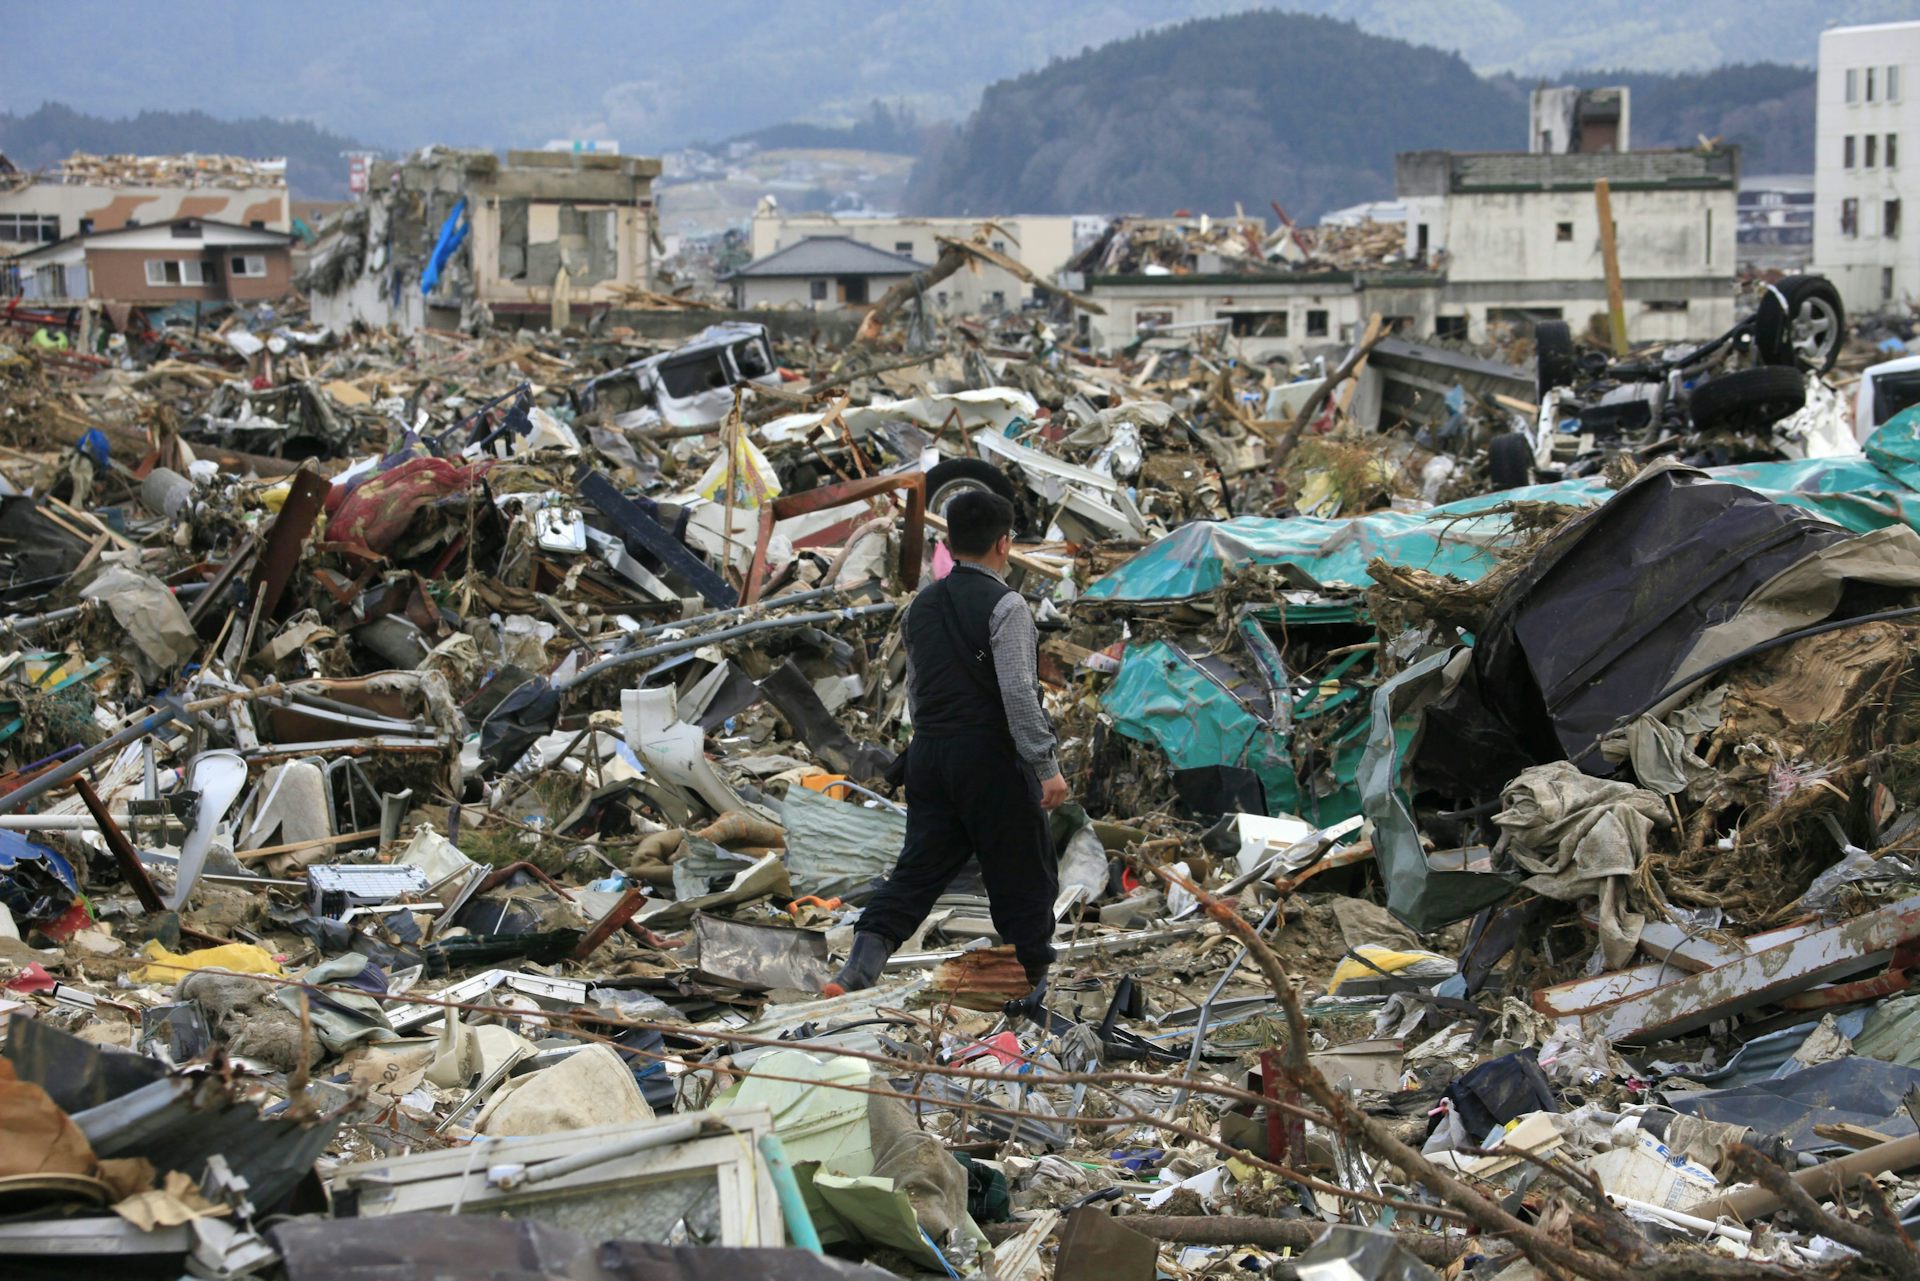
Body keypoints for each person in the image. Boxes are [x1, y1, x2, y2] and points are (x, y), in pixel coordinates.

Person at [822, 488, 1066, 998]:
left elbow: (917, 691)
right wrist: (1046, 766)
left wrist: (934, 746)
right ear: (1004, 543)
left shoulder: (920, 607)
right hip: (990, 760)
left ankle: (856, 971)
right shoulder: (1007, 606)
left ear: (949, 543)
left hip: (929, 756)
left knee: (917, 872)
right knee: (1025, 874)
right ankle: (1031, 990)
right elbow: (1019, 692)